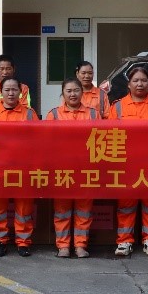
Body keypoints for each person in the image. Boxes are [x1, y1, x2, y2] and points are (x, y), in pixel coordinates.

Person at [110, 66, 148, 257]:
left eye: (143, 80)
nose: (140, 84)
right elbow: (110, 135)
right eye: (135, 80)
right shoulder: (118, 107)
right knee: (126, 203)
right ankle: (124, 241)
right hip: (127, 163)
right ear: (128, 84)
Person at [0, 76, 38, 256]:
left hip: (23, 167)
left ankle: (23, 242)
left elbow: (37, 140)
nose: (10, 93)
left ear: (20, 92)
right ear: (0, 92)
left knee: (24, 207)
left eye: (14, 89)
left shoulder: (29, 114)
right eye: (7, 90)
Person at [46, 77, 98, 258]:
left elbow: (100, 139)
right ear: (63, 93)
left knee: (84, 209)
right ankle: (63, 246)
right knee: (62, 209)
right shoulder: (54, 114)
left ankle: (80, 245)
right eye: (68, 91)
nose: (73, 94)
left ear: (82, 92)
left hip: (86, 168)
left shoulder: (93, 114)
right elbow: (47, 142)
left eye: (76, 90)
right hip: (62, 168)